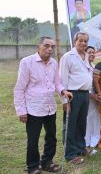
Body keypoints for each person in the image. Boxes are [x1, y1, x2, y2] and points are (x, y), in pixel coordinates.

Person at [14, 36, 72, 174]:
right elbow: (19, 88)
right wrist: (21, 110)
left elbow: (56, 83)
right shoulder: (27, 62)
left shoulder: (54, 63)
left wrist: (63, 91)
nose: (50, 49)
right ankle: (33, 166)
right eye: (46, 45)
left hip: (50, 107)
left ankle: (47, 162)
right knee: (33, 140)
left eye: (52, 46)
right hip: (33, 108)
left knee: (51, 137)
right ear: (38, 47)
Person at [60, 32, 93, 164]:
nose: (83, 43)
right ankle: (70, 154)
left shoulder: (86, 56)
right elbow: (62, 79)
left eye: (85, 41)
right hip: (72, 94)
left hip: (85, 94)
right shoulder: (68, 57)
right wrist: (64, 100)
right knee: (71, 125)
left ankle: (80, 148)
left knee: (81, 123)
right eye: (81, 41)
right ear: (75, 41)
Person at [84, 46, 101, 155]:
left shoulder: (94, 66)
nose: (92, 54)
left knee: (95, 118)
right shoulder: (83, 67)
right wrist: (92, 95)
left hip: (95, 97)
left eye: (93, 52)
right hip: (87, 97)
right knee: (87, 120)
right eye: (89, 52)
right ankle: (86, 142)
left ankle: (94, 140)